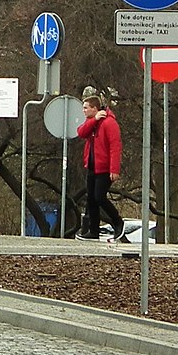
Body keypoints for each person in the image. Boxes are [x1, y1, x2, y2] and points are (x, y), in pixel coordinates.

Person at [74, 86, 125, 241]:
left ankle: (118, 222)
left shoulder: (109, 123)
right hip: (92, 166)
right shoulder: (93, 123)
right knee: (91, 199)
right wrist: (94, 120)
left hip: (104, 168)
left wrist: (114, 169)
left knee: (99, 197)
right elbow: (81, 132)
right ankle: (93, 230)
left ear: (94, 108)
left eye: (86, 108)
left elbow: (115, 146)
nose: (83, 111)